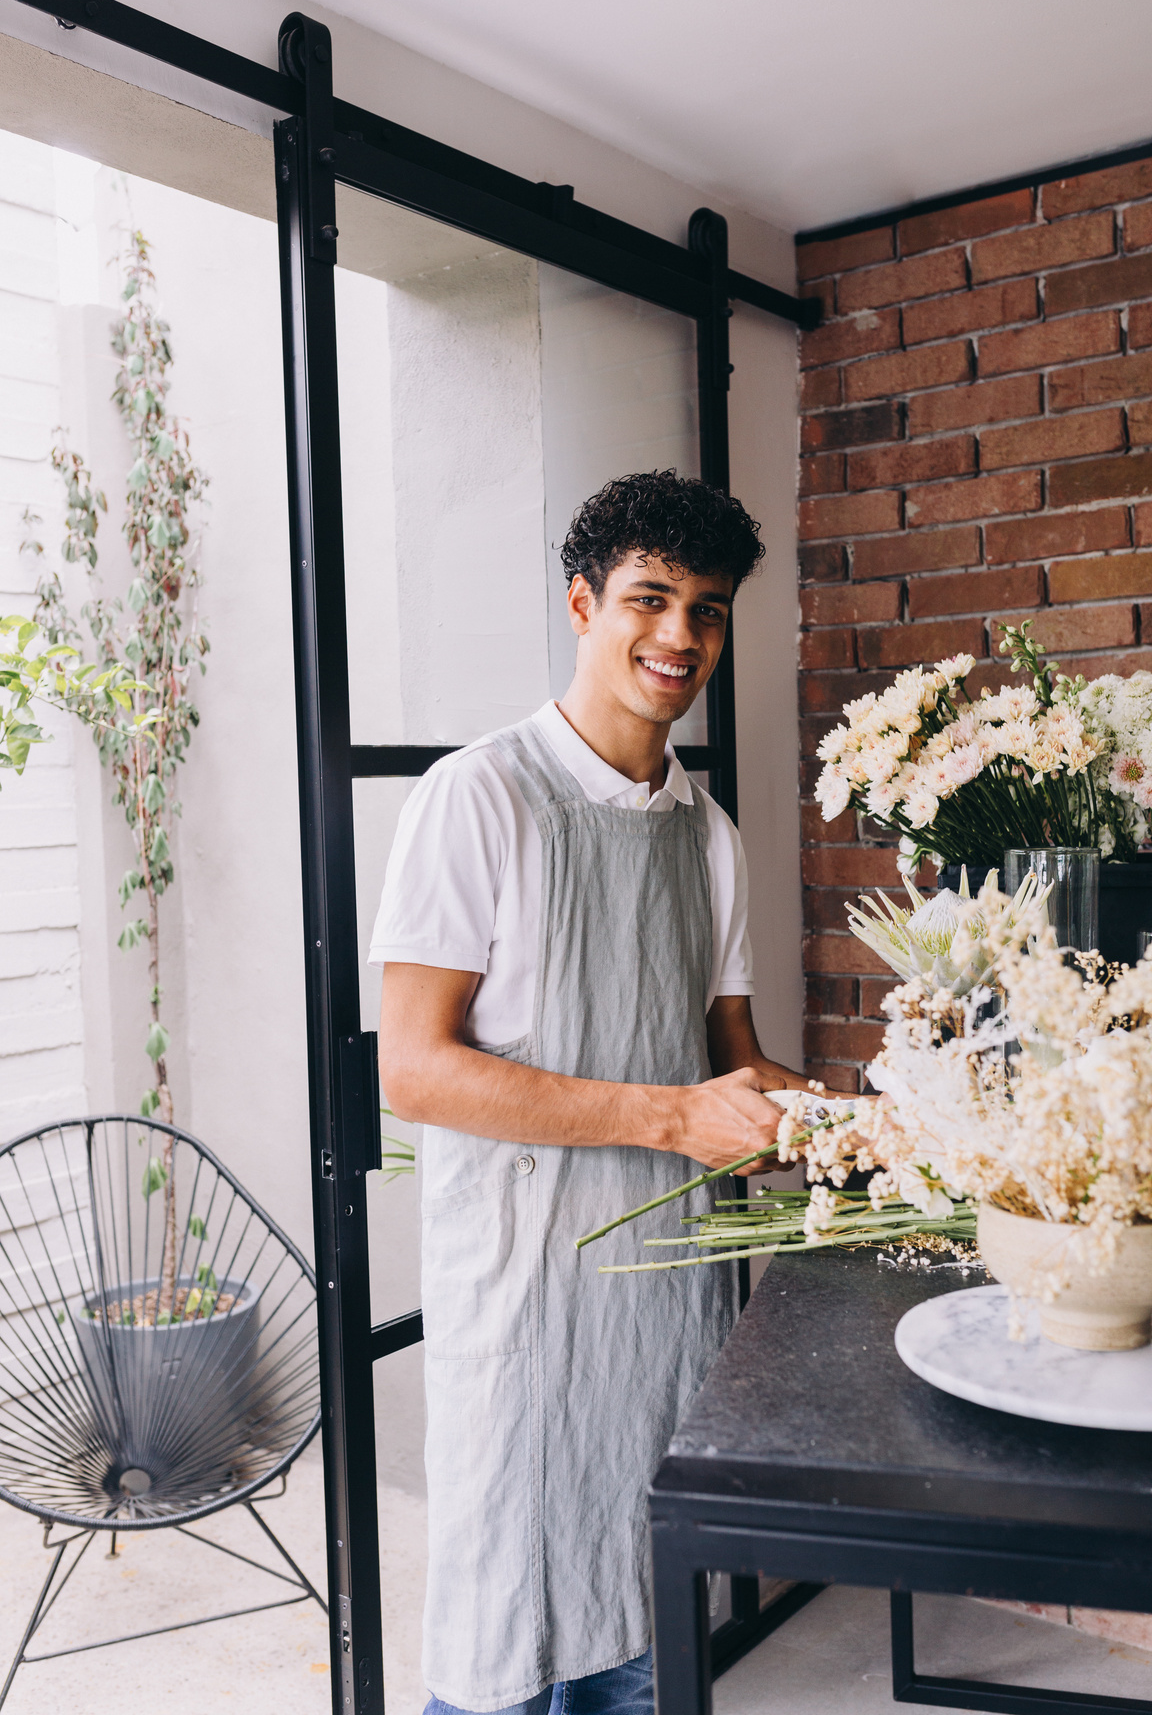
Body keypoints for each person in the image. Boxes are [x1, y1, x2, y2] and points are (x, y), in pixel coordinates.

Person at [372, 469, 809, 1715]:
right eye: (650, 598)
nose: (680, 638)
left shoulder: (707, 835)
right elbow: (414, 1068)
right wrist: (673, 1116)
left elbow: (734, 1059)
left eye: (708, 611)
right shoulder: (480, 797)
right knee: (506, 1642)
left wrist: (843, 1121)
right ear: (582, 602)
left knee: (644, 1638)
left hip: (666, 1314)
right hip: (521, 1305)